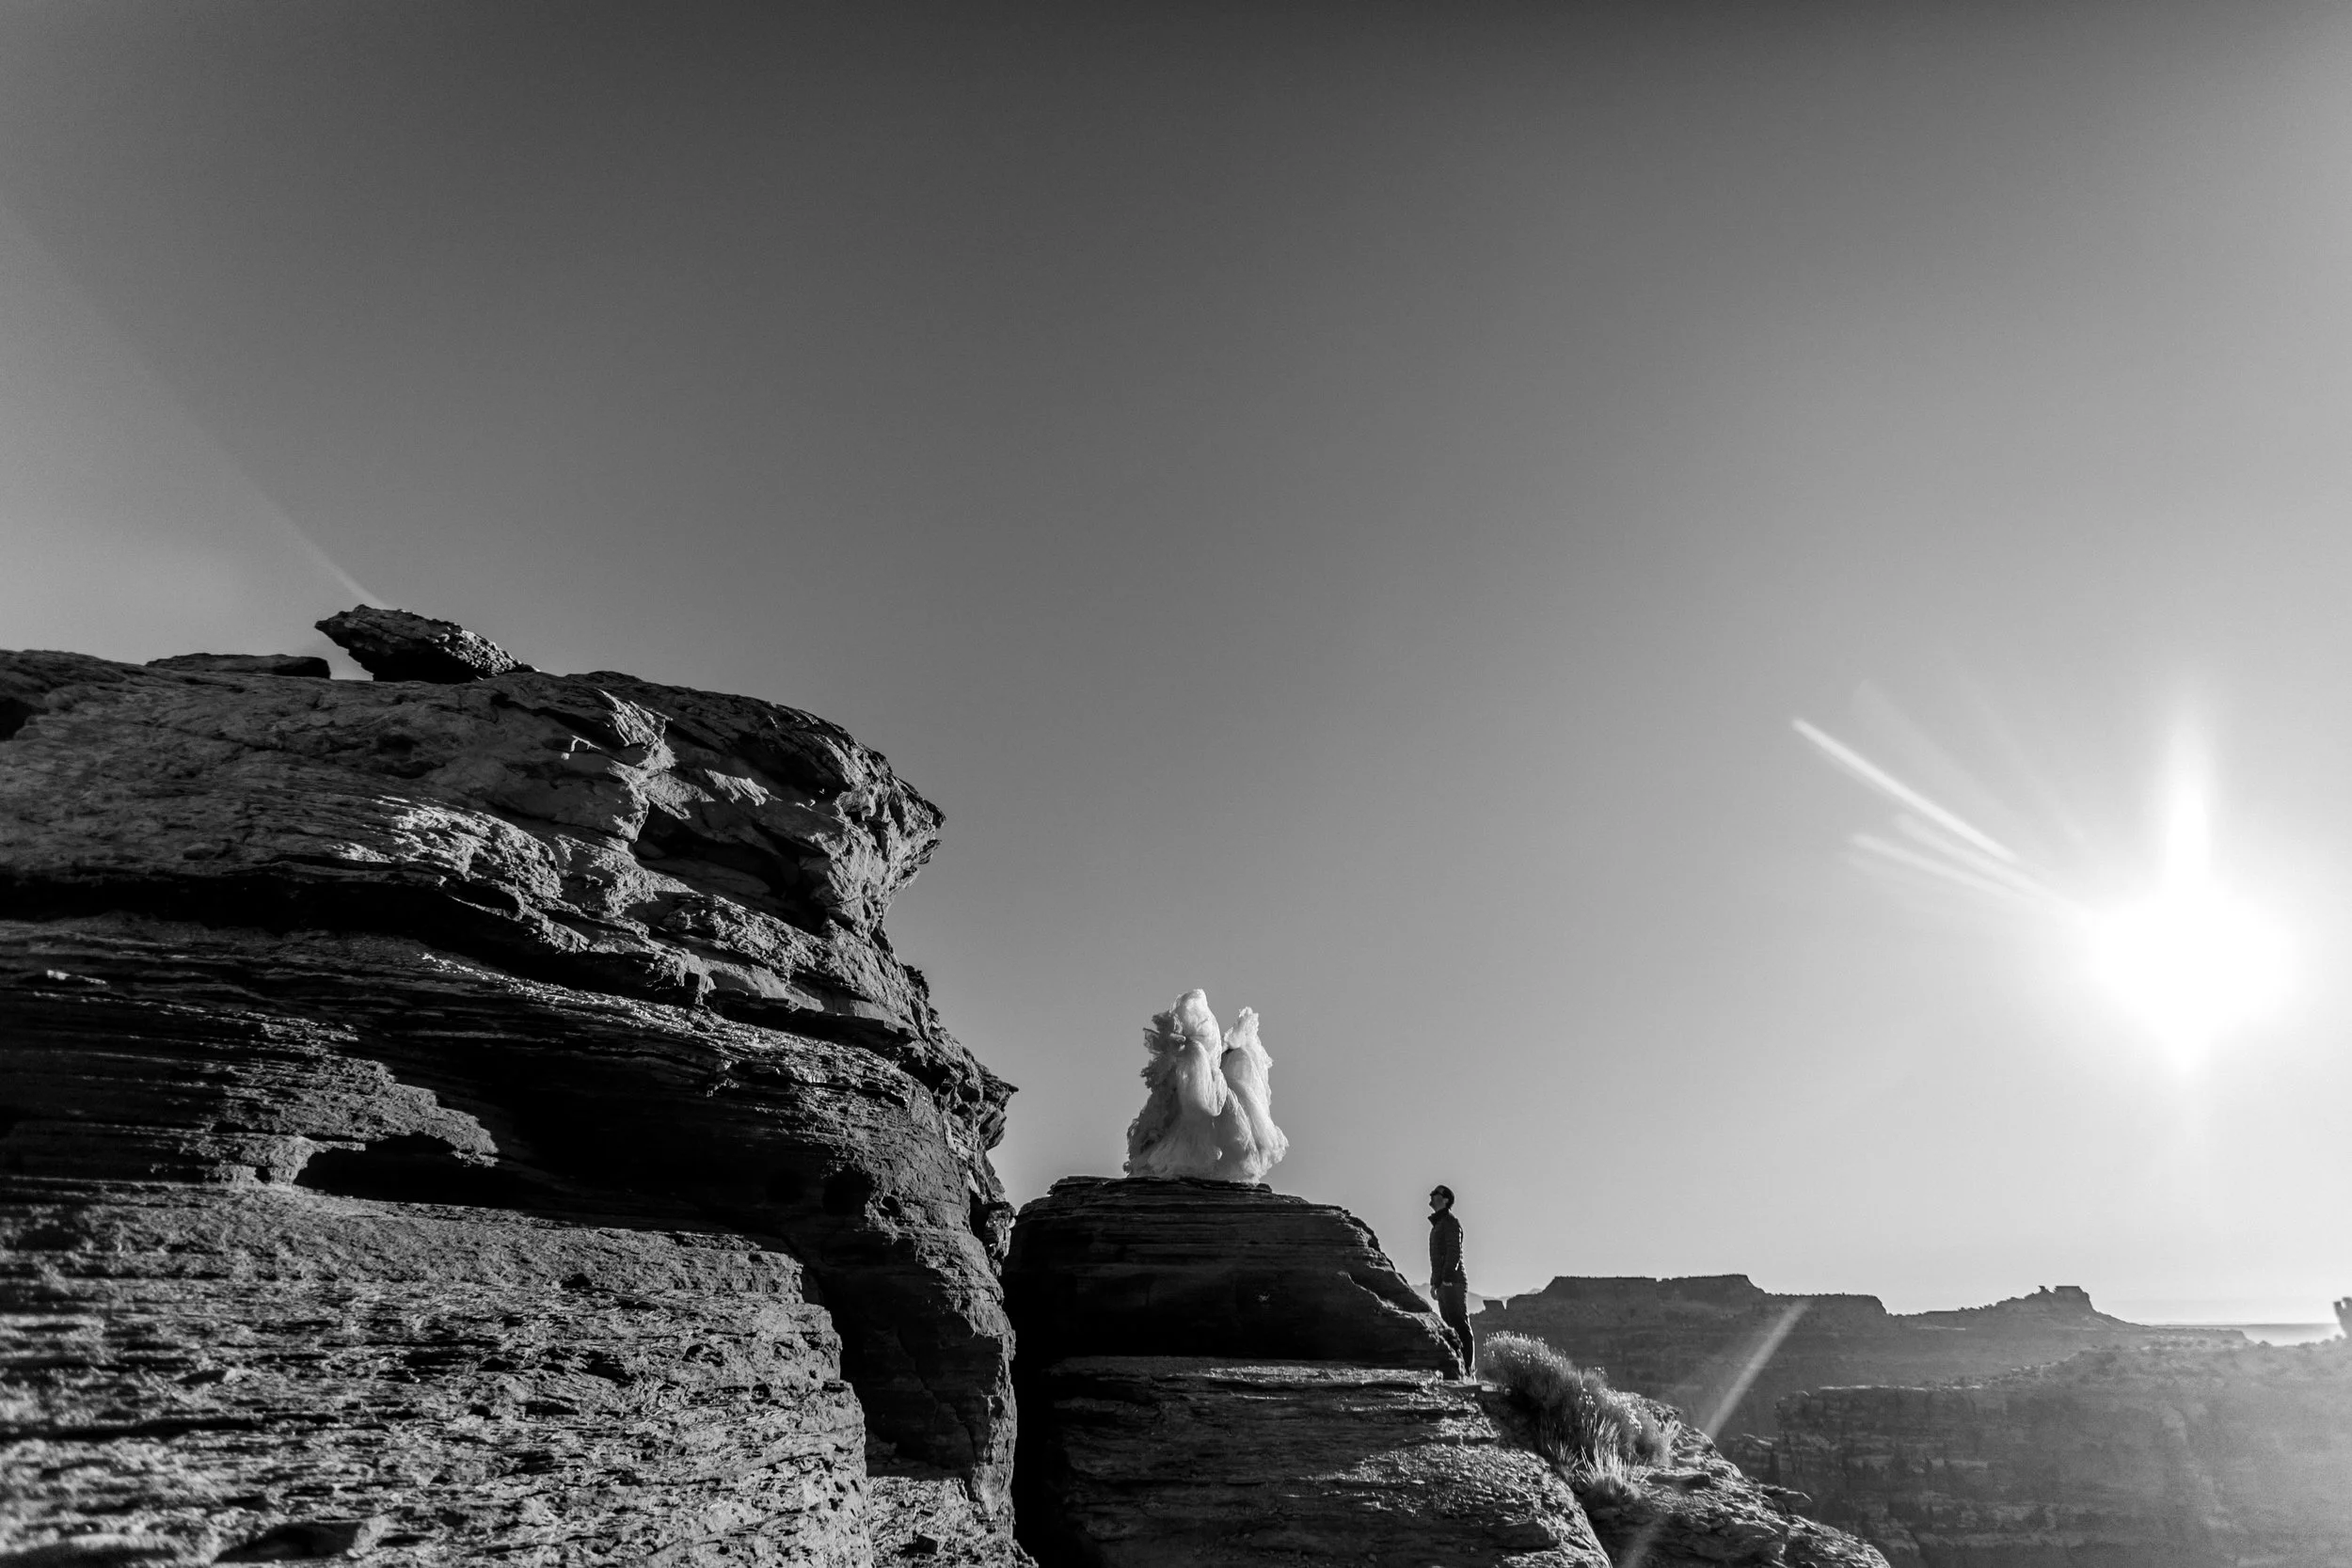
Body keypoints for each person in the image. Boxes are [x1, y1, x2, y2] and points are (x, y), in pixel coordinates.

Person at [1427, 1184, 1473, 1375]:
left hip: (1453, 1282)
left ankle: (1468, 1370)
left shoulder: (1450, 1222)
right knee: (1450, 1325)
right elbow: (1437, 1258)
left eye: (1435, 1193)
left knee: (1460, 1324)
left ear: (1445, 1200)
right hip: (1444, 1283)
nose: (1431, 1195)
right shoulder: (1439, 1224)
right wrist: (1434, 1282)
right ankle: (1458, 1368)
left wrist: (1446, 1279)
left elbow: (1454, 1252)